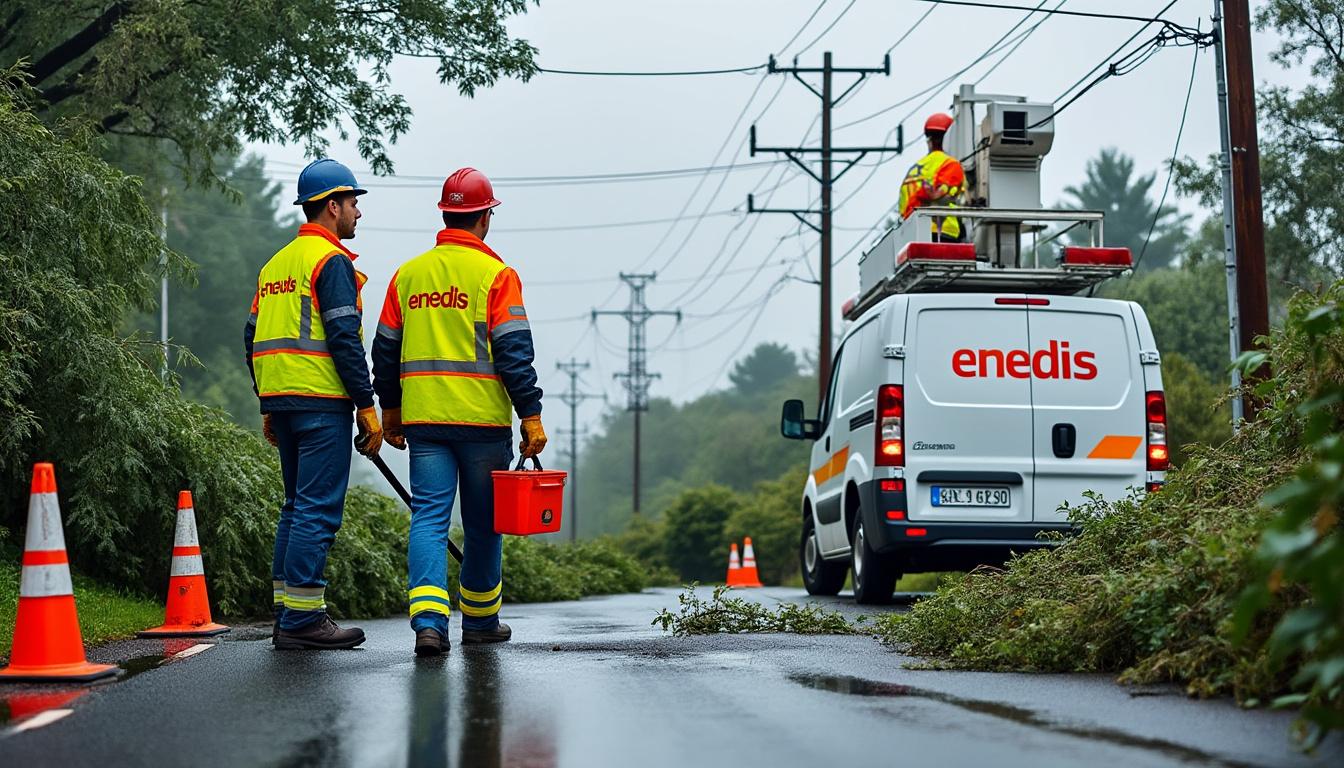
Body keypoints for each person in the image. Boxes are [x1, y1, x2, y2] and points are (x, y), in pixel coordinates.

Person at [372, 167, 546, 657]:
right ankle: (481, 621)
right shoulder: (497, 276)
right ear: (484, 218)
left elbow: (384, 349)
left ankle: (429, 625)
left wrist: (390, 408)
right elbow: (513, 352)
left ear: (447, 214)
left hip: (425, 423)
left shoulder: (409, 276)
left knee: (428, 518)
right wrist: (530, 414)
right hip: (482, 424)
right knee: (484, 523)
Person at [245, 158, 384, 650]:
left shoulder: (274, 266)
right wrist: (367, 406)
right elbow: (344, 338)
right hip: (321, 401)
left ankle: (287, 612)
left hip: (283, 400)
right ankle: (304, 620)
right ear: (331, 206)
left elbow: (251, 336)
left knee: (294, 506)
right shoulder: (331, 263)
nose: (357, 214)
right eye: (353, 204)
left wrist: (267, 401)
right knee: (317, 509)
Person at [899, 112, 966, 242]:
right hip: (942, 232)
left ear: (928, 140)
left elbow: (903, 208)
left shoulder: (914, 170)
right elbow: (941, 195)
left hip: (911, 234)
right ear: (950, 137)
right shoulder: (950, 164)